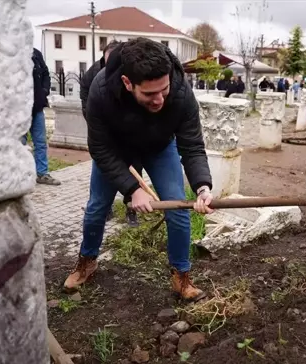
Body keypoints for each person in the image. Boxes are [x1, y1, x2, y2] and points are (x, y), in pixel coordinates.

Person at [64, 38, 214, 302]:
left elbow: (191, 145)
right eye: (149, 94)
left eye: (163, 90)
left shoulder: (180, 91)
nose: (159, 100)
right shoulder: (100, 91)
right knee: (97, 207)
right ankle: (87, 261)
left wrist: (203, 185)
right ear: (127, 82)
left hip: (159, 148)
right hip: (115, 151)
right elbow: (99, 148)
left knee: (178, 210)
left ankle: (181, 275)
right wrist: (133, 189)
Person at [80, 41, 139, 227]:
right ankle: (104, 209)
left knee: (135, 173)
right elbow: (85, 97)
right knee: (100, 185)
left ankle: (131, 209)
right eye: (107, 62)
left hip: (131, 138)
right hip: (105, 136)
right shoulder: (94, 75)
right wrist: (94, 120)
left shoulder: (132, 75)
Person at [24, 49, 61, 185]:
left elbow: (45, 74)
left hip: (37, 107)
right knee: (20, 145)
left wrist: (44, 91)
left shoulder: (35, 54)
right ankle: (22, 175)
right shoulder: (14, 53)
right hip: (20, 109)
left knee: (40, 142)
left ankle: (42, 173)